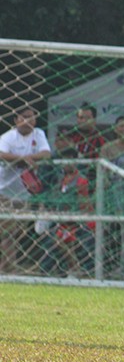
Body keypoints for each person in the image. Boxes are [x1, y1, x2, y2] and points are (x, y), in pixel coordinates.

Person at [0, 107, 52, 273]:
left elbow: (46, 154)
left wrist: (29, 159)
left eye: (32, 117)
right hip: (3, 189)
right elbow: (1, 154)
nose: (29, 120)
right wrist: (22, 159)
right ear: (16, 119)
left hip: (24, 193)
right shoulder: (9, 136)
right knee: (8, 230)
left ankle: (8, 266)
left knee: (15, 232)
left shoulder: (38, 134)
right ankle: (7, 268)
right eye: (25, 117)